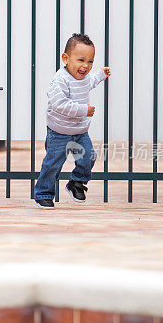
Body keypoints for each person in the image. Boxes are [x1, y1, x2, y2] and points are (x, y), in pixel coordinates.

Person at [34, 33, 111, 208]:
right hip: (59, 132)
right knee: (53, 164)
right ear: (66, 59)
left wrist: (100, 74)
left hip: (80, 131)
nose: (85, 66)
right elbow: (60, 104)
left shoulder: (82, 78)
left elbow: (90, 82)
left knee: (88, 157)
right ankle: (43, 193)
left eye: (90, 62)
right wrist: (84, 110)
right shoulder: (60, 80)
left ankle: (76, 182)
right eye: (81, 60)